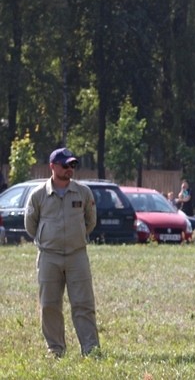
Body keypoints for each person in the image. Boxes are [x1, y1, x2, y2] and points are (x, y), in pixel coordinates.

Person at [24, 147, 100, 358]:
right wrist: (48, 237)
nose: (70, 169)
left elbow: (90, 221)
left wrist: (76, 236)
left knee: (83, 303)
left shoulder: (83, 192)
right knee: (49, 304)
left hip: (77, 255)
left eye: (73, 165)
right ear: (52, 166)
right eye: (65, 165)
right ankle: (55, 349)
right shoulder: (38, 195)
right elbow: (30, 225)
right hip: (49, 256)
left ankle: (90, 349)